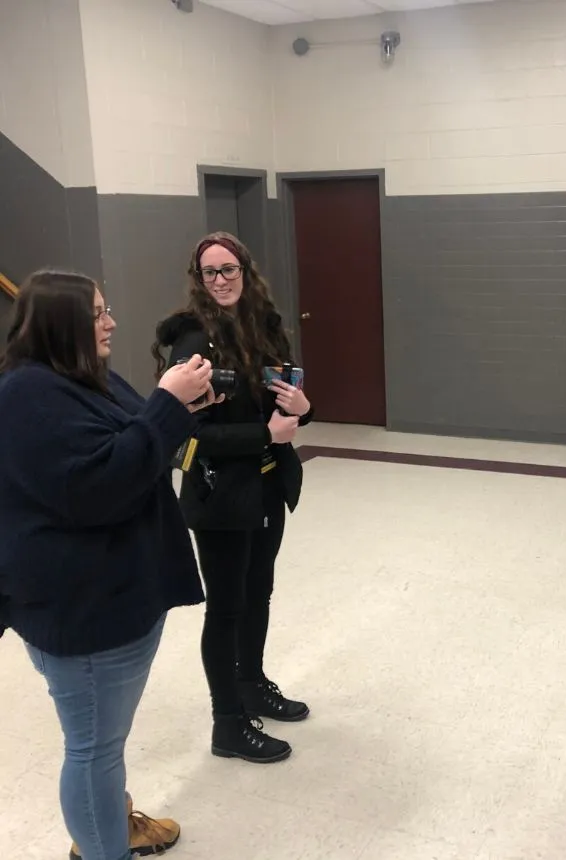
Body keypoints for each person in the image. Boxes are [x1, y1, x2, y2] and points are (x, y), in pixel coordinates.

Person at [0, 270, 218, 860]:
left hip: (117, 597)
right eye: (97, 313)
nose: (111, 322)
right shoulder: (26, 395)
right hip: (82, 613)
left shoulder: (80, 377)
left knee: (104, 741)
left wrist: (181, 408)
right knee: (93, 747)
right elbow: (98, 487)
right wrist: (167, 405)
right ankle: (101, 849)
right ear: (60, 321)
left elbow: (138, 438)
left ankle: (112, 826)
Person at [152, 232, 312, 765]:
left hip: (266, 485)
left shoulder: (263, 325)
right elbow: (186, 436)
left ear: (246, 270)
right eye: (209, 272)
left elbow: (282, 406)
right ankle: (228, 723)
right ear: (197, 279)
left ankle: (251, 683)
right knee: (225, 609)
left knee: (258, 594)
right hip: (219, 494)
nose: (220, 280)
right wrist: (267, 435)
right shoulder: (191, 343)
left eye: (229, 270)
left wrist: (303, 407)